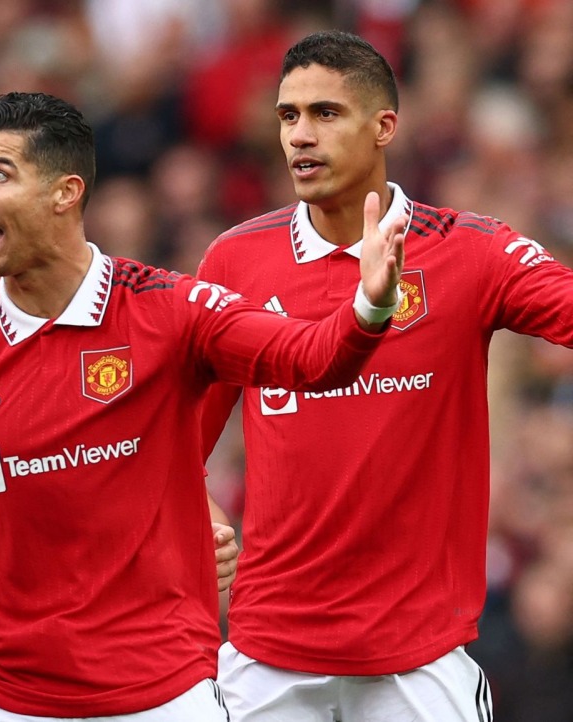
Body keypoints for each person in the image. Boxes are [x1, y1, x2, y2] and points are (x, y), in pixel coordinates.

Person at [0, 90, 406, 721]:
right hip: (4, 702)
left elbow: (311, 359)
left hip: (165, 699)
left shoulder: (170, 311)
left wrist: (368, 308)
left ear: (66, 193)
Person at [195, 30, 573, 721]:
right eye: (288, 116)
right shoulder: (234, 262)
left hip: (419, 661)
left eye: (325, 114)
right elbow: (179, 439)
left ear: (384, 127)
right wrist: (204, 508)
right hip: (267, 655)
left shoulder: (471, 253)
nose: (300, 136)